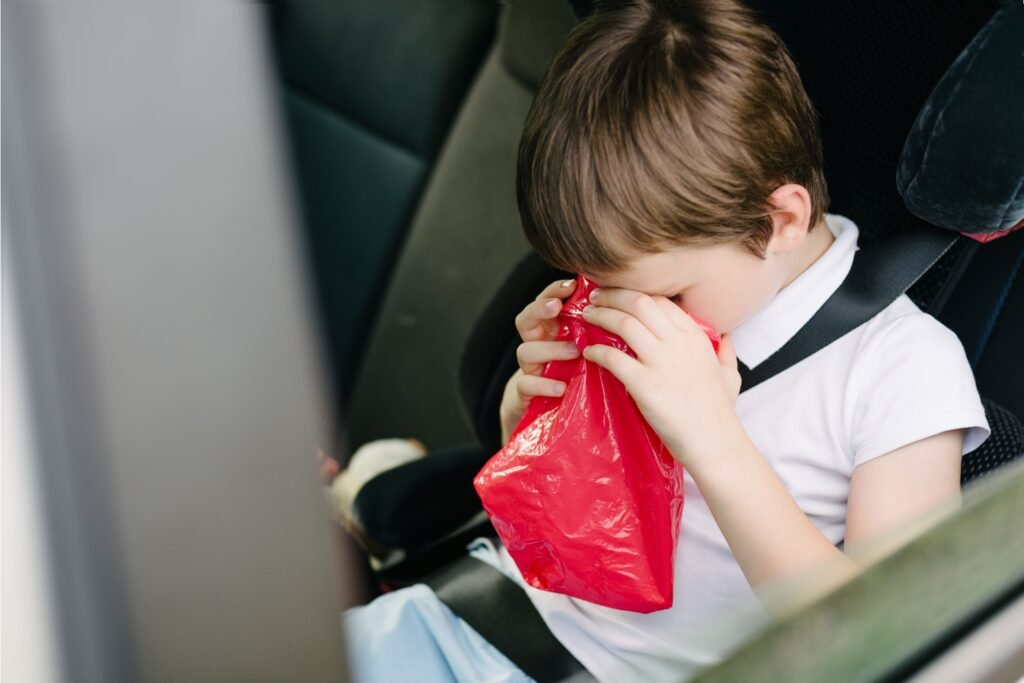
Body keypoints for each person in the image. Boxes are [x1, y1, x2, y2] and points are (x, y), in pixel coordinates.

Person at [340, 0, 990, 681]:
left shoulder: (900, 370)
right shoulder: (671, 269)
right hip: (469, 620)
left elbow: (893, 634)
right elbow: (566, 517)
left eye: (667, 292)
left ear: (780, 221)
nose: (626, 312)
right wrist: (529, 416)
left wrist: (715, 443)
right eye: (596, 285)